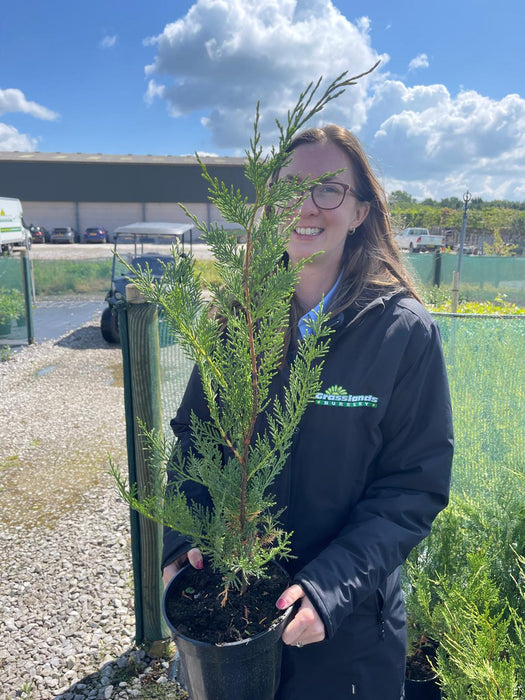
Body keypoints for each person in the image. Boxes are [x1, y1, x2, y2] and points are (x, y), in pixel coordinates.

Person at [162, 124, 454, 699]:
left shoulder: (401, 332)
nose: (306, 205)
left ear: (362, 211)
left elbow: (413, 486)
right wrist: (181, 542)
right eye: (289, 188)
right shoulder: (235, 320)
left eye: (328, 189)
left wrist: (330, 589)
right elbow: (193, 444)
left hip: (345, 634)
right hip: (232, 611)